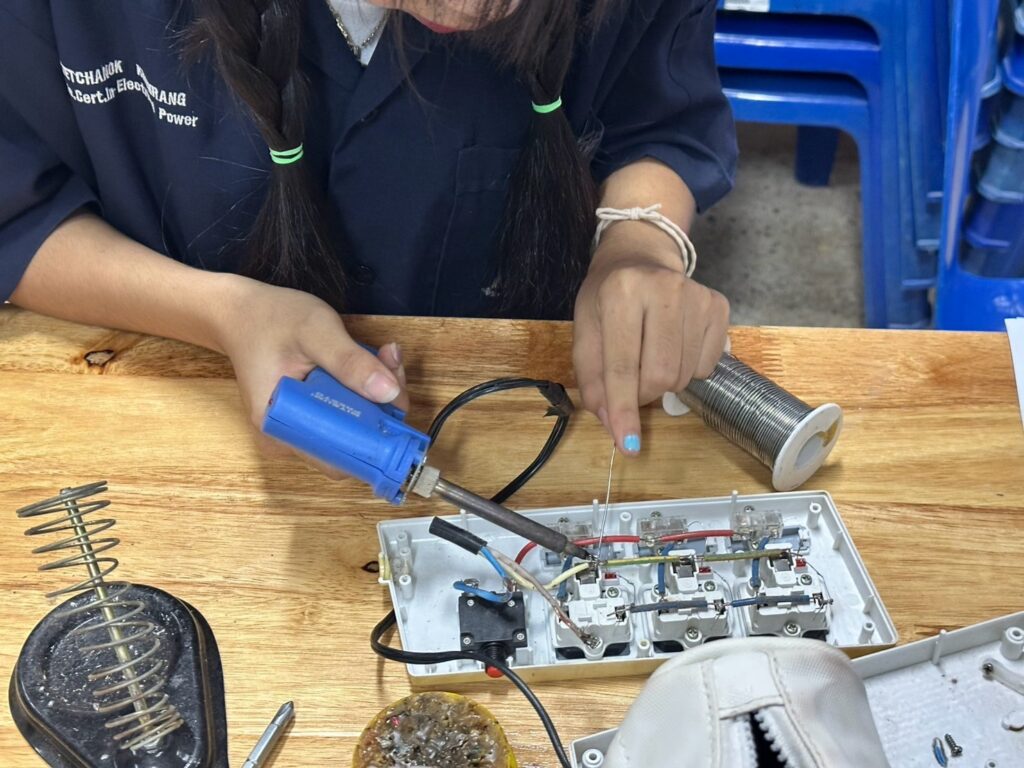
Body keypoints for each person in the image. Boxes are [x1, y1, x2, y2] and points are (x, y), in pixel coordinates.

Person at [0, 0, 736, 459]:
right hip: (162, 426)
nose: (470, 7)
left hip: (525, 417)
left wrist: (638, 243)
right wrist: (221, 313)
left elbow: (656, 118)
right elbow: (20, 213)